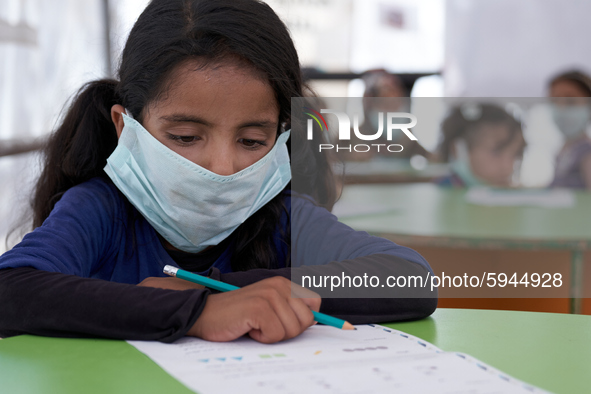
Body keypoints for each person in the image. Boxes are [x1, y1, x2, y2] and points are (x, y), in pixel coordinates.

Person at [0, 0, 436, 344]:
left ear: (283, 137)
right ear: (125, 128)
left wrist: (216, 290)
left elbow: (409, 278)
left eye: (251, 141)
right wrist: (197, 314)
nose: (222, 168)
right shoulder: (101, 211)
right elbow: (11, 291)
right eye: (186, 137)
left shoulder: (278, 216)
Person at [437, 103, 526, 188]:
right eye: (496, 153)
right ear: (458, 150)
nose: (507, 166)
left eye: (515, 154)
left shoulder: (501, 190)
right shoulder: (441, 191)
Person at [547, 70, 591, 189]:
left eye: (571, 101)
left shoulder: (587, 154)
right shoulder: (564, 150)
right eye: (554, 101)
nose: (561, 108)